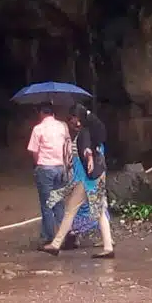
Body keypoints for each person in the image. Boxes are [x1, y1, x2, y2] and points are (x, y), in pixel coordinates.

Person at [41, 106, 115, 258]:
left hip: (88, 179)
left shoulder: (86, 132)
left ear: (78, 117)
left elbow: (86, 149)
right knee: (98, 211)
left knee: (71, 210)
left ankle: (55, 245)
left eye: (72, 117)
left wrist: (88, 159)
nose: (70, 121)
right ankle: (108, 247)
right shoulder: (90, 131)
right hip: (94, 177)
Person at [28, 105, 74, 246]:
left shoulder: (38, 129)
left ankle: (49, 238)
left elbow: (34, 151)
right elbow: (67, 146)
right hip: (60, 168)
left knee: (47, 205)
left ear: (41, 113)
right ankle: (65, 235)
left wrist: (38, 164)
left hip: (45, 168)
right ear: (53, 113)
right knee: (59, 204)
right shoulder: (62, 126)